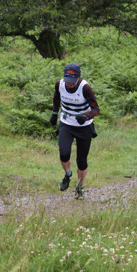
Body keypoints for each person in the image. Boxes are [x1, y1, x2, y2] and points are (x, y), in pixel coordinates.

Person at [50, 63, 100, 200]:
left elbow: (96, 109)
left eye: (72, 81)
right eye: (68, 80)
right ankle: (67, 175)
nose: (70, 84)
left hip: (84, 126)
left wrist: (85, 117)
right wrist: (54, 113)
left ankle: (80, 186)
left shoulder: (85, 88)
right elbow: (56, 98)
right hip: (66, 123)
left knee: (81, 161)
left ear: (78, 78)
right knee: (64, 153)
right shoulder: (59, 84)